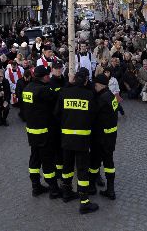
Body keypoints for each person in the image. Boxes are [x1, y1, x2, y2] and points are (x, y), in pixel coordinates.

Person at [57, 68, 99, 214]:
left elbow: (57, 113)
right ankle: (84, 202)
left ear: (74, 80)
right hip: (82, 140)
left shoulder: (64, 93)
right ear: (86, 81)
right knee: (82, 171)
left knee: (67, 167)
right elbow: (94, 116)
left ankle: (67, 193)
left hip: (66, 138)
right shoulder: (89, 95)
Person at [22, 65, 60, 199]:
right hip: (44, 131)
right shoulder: (43, 90)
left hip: (31, 131)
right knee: (48, 160)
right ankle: (54, 189)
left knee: (34, 158)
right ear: (44, 77)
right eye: (48, 76)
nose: (49, 77)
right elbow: (56, 98)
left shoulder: (27, 89)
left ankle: (36, 186)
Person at [89, 74, 118, 200]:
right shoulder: (111, 96)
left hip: (100, 137)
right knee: (109, 163)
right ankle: (110, 190)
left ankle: (91, 187)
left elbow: (92, 115)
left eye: (95, 85)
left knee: (94, 162)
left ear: (101, 85)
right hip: (111, 136)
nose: (94, 87)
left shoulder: (101, 99)